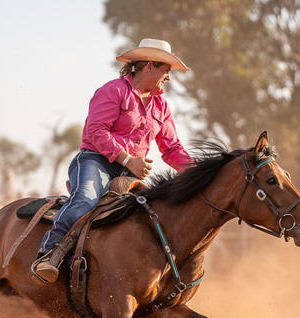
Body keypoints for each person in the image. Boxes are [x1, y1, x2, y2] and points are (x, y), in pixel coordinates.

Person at [34, 38, 193, 282]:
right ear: (149, 66)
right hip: (95, 161)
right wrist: (129, 160)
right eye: (166, 70)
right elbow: (96, 131)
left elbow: (171, 148)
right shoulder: (114, 90)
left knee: (149, 218)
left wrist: (198, 172)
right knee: (85, 199)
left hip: (130, 174)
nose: (168, 77)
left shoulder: (161, 106)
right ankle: (48, 254)